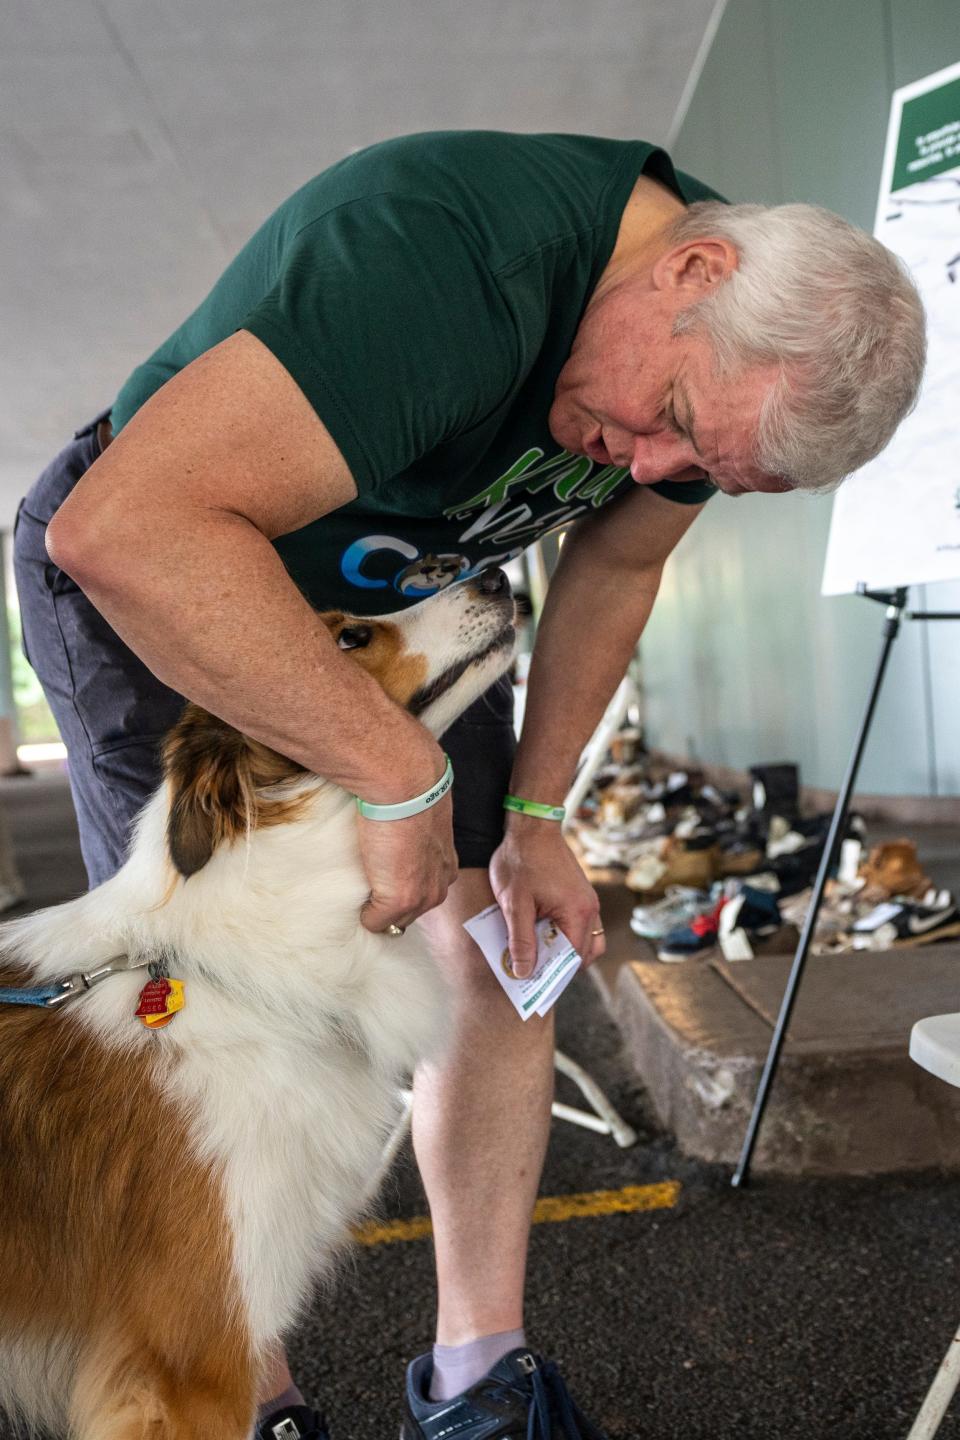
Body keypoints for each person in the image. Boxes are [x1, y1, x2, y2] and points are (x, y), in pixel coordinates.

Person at [13, 129, 925, 1440]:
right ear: (691, 270)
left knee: (503, 940)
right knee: (203, 1013)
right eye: (670, 427)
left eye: (704, 476)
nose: (654, 474)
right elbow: (126, 528)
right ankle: (238, 1395)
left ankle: (478, 1380)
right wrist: (392, 774)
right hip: (180, 564)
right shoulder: (438, 260)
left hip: (400, 602)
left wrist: (541, 816)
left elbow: (612, 570)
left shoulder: (725, 364)